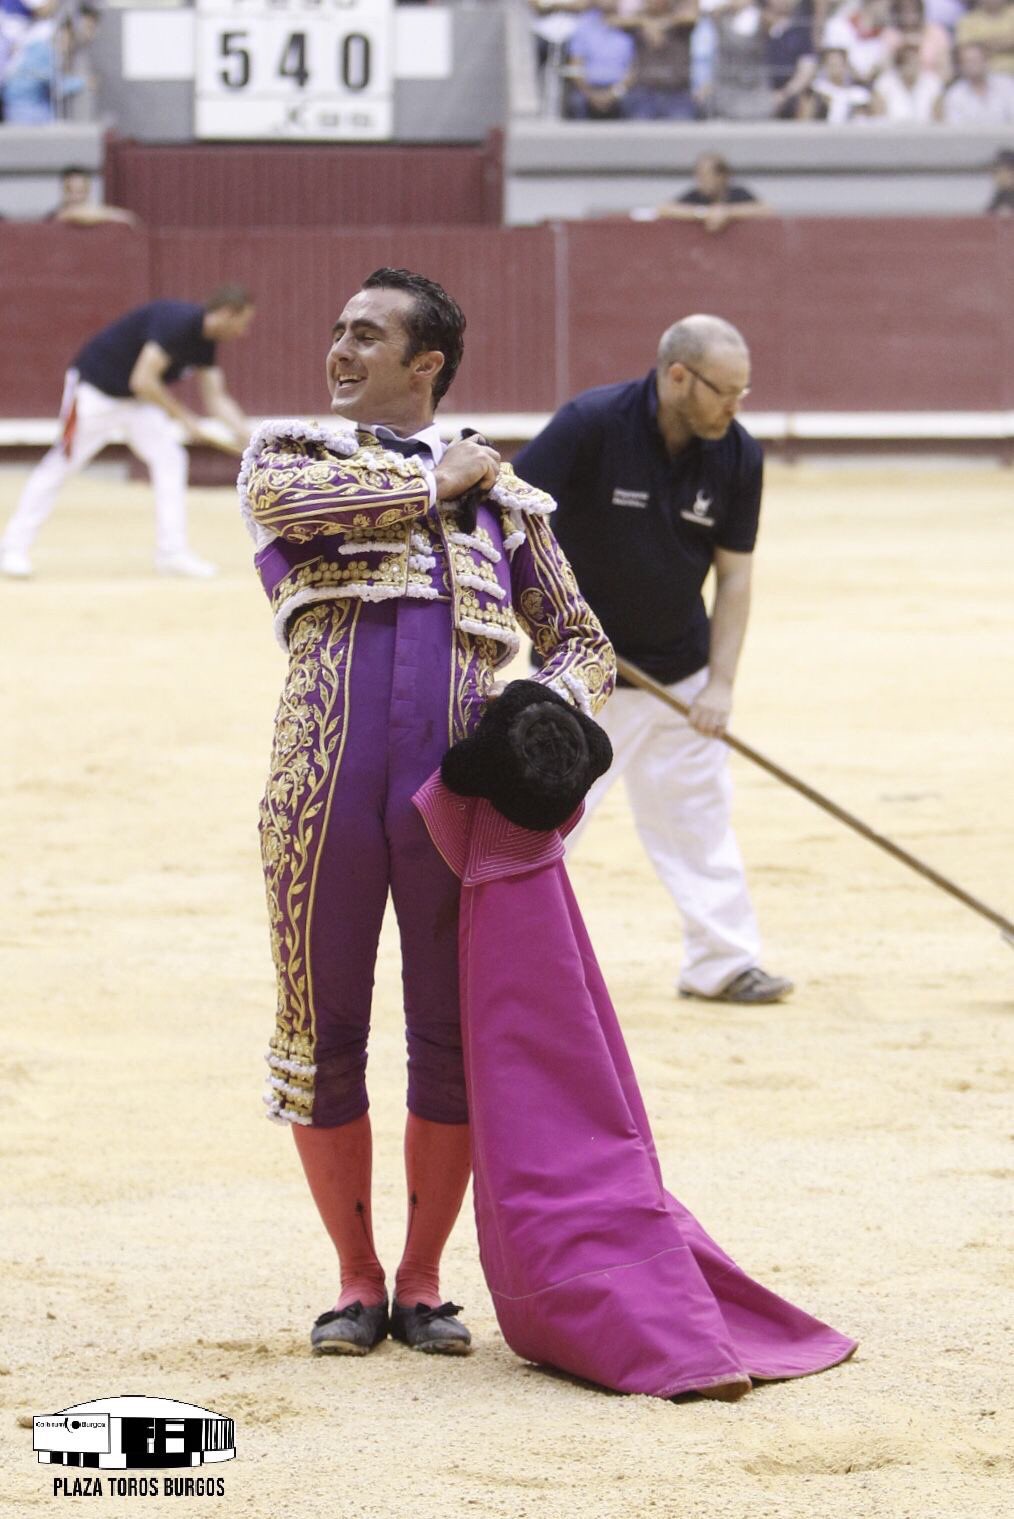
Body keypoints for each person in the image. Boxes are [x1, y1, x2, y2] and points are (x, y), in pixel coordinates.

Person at [237, 267, 615, 1358]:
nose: (340, 351)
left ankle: (424, 1276)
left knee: (451, 1037)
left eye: (369, 335)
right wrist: (435, 483)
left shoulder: (510, 499)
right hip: (322, 778)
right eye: (338, 329)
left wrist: (547, 712)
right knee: (323, 1030)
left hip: (457, 792)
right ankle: (356, 1279)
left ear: (427, 364)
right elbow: (286, 513)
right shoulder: (291, 454)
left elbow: (584, 642)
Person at [514, 314, 793, 1006]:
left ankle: (722, 962)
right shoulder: (590, 424)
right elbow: (509, 519)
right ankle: (506, 964)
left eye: (744, 391)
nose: (736, 405)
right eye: (725, 390)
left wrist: (720, 684)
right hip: (581, 676)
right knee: (543, 824)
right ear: (677, 377)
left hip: (679, 672)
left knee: (698, 819)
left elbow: (734, 576)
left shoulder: (738, 456)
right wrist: (541, 619)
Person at [0, 286, 255, 580]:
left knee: (170, 460)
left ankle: (172, 553)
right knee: (61, 464)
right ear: (226, 313)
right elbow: (143, 379)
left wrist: (250, 442)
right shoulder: (177, 322)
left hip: (136, 404)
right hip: (95, 393)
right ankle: (12, 548)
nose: (243, 331)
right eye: (243, 322)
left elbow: (217, 399)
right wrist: (185, 418)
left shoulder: (205, 343)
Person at [656, 151, 772, 231]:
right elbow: (663, 209)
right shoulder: (696, 195)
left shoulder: (738, 193)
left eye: (706, 176)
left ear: (722, 176)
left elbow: (766, 210)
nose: (701, 182)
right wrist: (704, 213)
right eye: (699, 176)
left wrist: (727, 213)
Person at [46, 165, 139, 227]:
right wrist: (117, 216)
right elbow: (71, 214)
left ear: (88, 191)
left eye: (81, 191)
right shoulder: (54, 217)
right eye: (70, 190)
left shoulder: (98, 219)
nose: (75, 197)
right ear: (62, 190)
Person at [943, 38, 1014, 117]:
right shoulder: (954, 94)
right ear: (961, 66)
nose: (974, 65)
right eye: (968, 61)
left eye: (977, 59)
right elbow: (955, 127)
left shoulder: (1007, 85)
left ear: (986, 60)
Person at [985, 144, 1014, 208]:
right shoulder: (998, 168)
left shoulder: (1009, 168)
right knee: (990, 211)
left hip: (1010, 192)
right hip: (1002, 191)